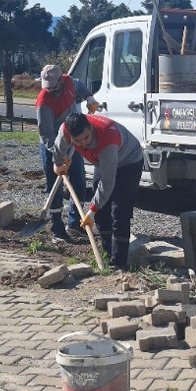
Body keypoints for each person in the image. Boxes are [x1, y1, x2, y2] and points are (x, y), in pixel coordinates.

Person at [53, 112, 144, 270]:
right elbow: (58, 148)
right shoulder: (65, 130)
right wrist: (58, 163)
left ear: (90, 128)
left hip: (128, 160)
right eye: (77, 141)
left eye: (86, 138)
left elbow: (108, 183)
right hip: (102, 161)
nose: (83, 144)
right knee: (102, 210)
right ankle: (107, 254)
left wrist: (91, 210)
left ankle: (119, 262)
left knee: (119, 210)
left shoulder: (107, 138)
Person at [35, 64, 88, 243]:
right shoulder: (44, 102)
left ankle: (74, 224)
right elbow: (47, 136)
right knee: (55, 187)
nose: (50, 89)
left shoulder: (69, 82)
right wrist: (59, 158)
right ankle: (57, 228)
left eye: (53, 85)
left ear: (61, 80)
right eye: (47, 86)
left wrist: (89, 97)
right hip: (53, 146)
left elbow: (80, 86)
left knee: (79, 183)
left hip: (74, 143)